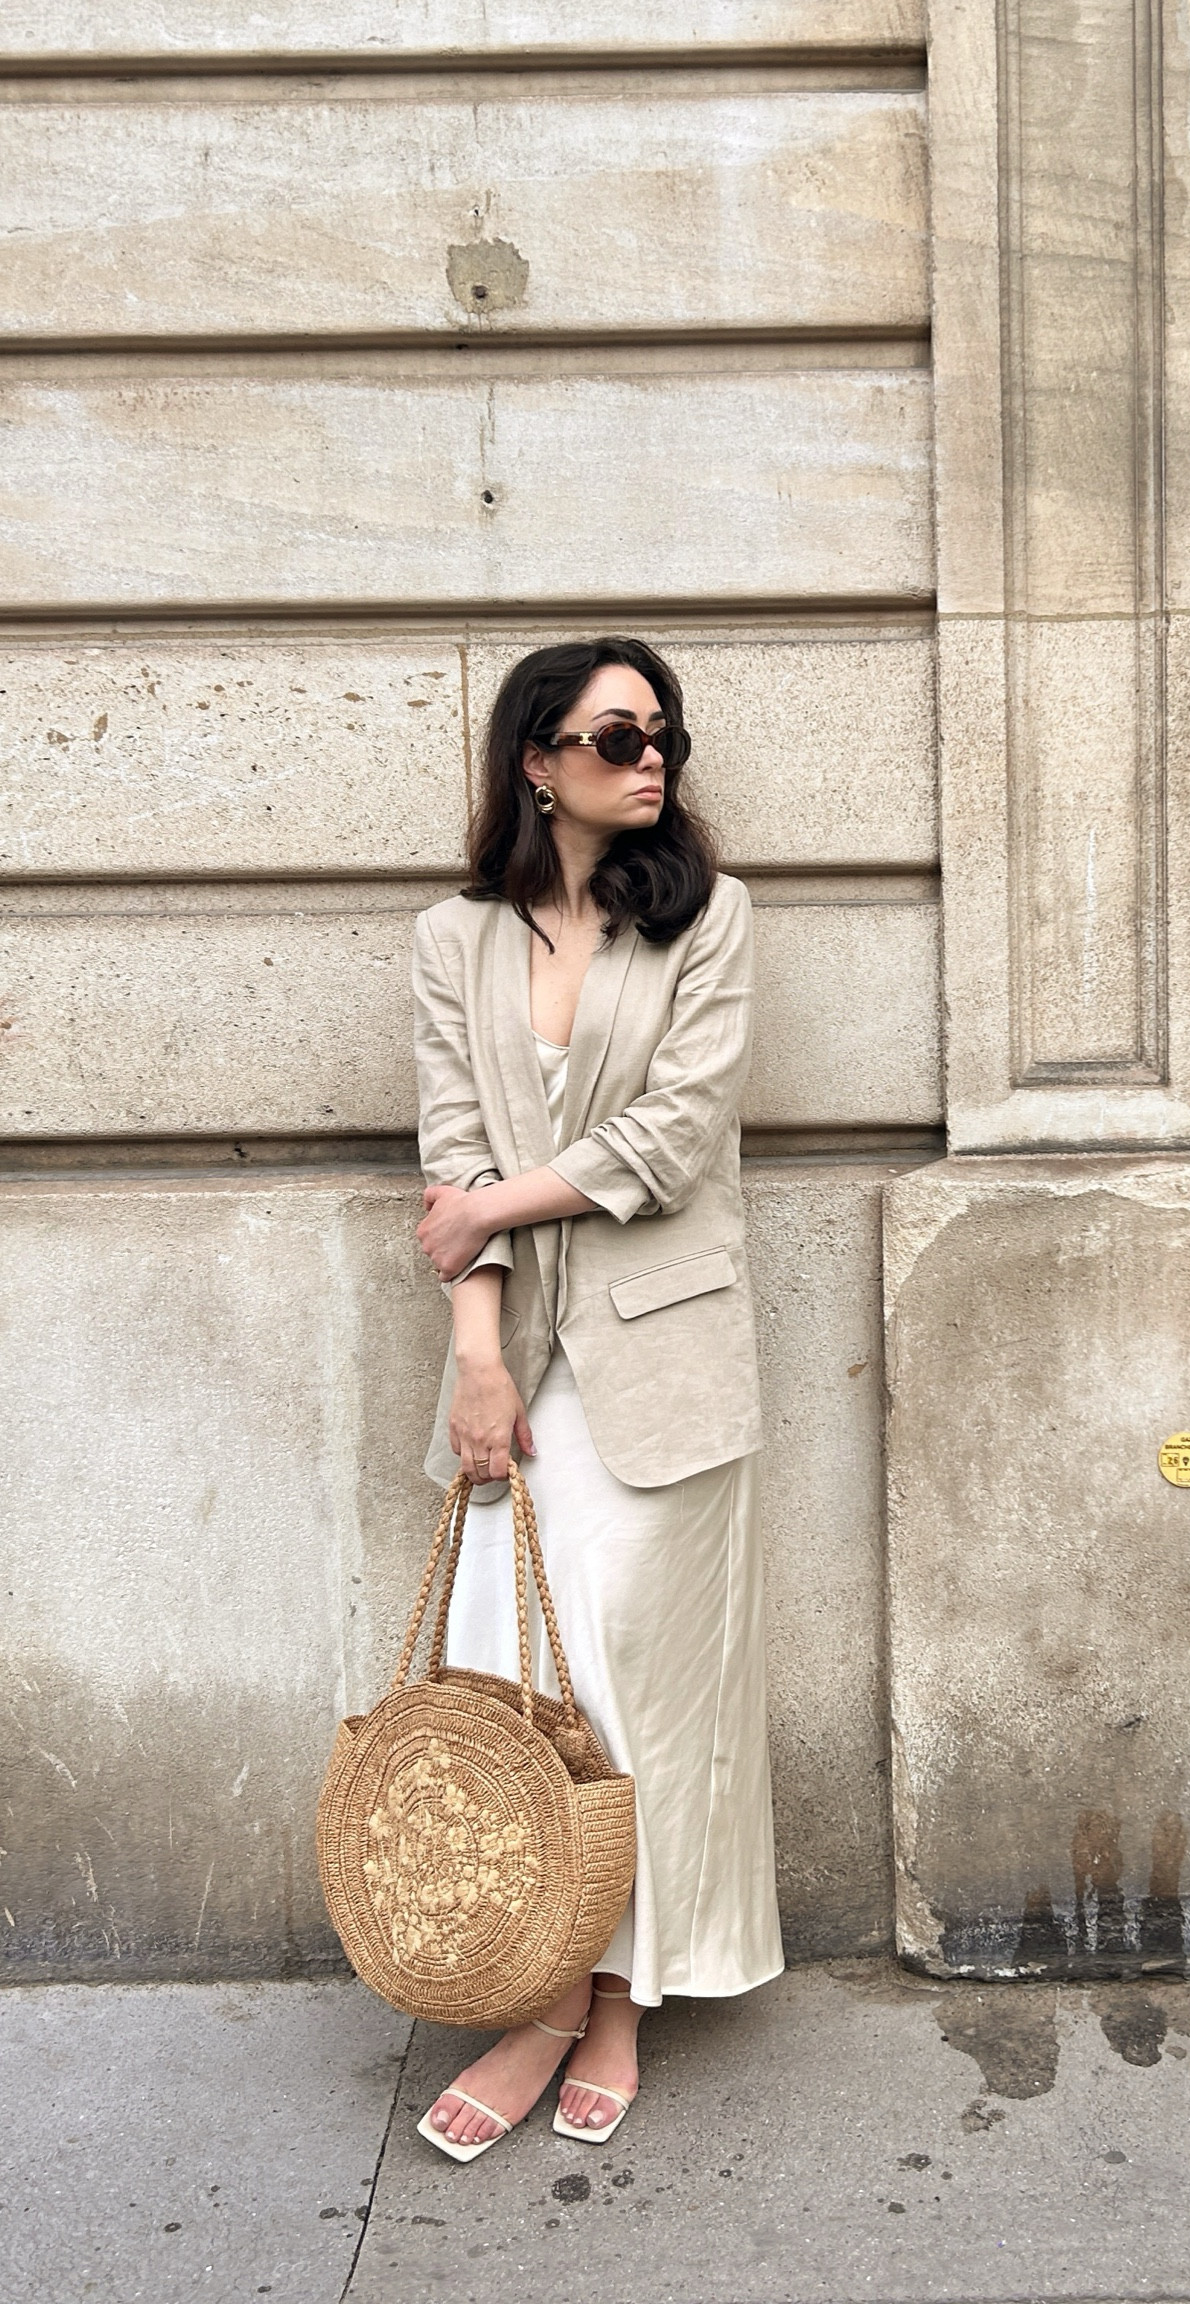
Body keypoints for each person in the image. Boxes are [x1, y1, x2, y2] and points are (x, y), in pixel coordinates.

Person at [408, 635, 782, 2160]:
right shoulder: (454, 939)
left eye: (663, 731)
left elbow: (676, 1138)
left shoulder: (711, 922)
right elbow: (450, 1144)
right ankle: (546, 1991)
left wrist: (491, 1213)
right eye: (616, 733)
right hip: (520, 1360)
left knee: (638, 1689)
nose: (652, 757)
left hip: (666, 1356)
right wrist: (478, 1354)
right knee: (519, 1684)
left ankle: (614, 1999)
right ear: (536, 762)